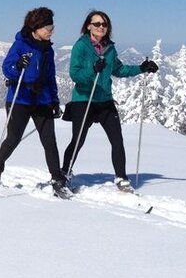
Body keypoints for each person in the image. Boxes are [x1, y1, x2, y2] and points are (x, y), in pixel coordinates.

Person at [60, 10, 158, 193]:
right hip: (84, 99)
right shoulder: (80, 46)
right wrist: (92, 69)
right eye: (97, 24)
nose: (101, 27)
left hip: (104, 100)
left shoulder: (110, 48)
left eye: (104, 24)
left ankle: (121, 177)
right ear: (88, 26)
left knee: (117, 140)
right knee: (78, 140)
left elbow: (118, 69)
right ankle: (64, 172)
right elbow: (75, 74)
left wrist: (142, 68)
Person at [0, 7, 68, 198]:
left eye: (52, 26)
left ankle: (57, 180)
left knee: (49, 140)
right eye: (48, 26)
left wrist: (54, 100)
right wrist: (18, 66)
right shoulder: (20, 44)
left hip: (42, 100)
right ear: (37, 27)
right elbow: (7, 69)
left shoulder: (48, 49)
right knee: (13, 138)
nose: (51, 30)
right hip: (20, 98)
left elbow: (50, 76)